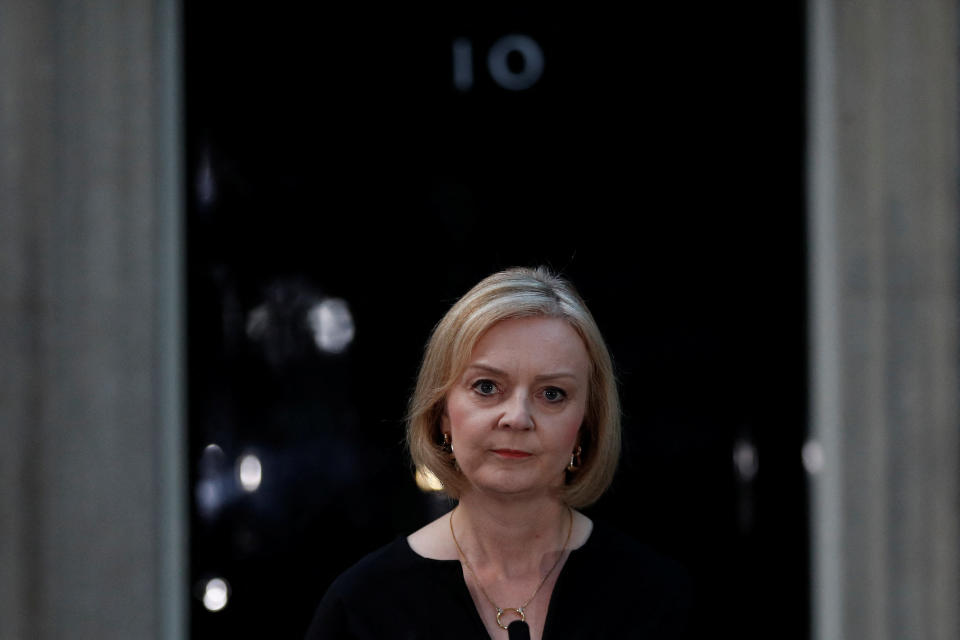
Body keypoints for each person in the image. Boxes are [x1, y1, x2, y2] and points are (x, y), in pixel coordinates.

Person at [305, 267, 692, 639]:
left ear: (585, 425)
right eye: (487, 387)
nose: (518, 418)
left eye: (552, 393)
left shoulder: (660, 601)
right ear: (442, 413)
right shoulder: (361, 608)